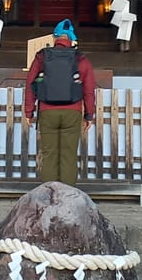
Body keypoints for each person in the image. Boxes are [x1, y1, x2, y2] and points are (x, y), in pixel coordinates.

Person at [23, 19, 97, 186]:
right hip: (72, 111)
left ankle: (49, 196)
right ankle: (68, 198)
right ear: (71, 39)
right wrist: (89, 115)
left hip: (47, 111)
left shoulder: (42, 57)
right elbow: (89, 90)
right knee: (68, 155)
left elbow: (30, 84)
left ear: (55, 37)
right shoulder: (81, 59)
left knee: (49, 154)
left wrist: (29, 112)